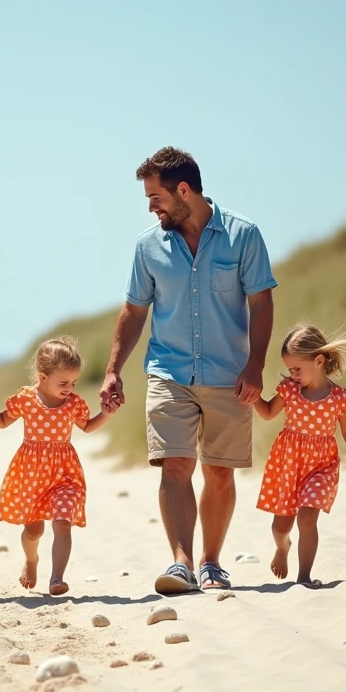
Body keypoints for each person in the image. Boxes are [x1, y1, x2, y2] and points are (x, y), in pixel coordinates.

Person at [100, 146, 277, 594]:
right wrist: (113, 369)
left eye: (155, 197)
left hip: (229, 375)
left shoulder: (244, 236)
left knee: (219, 472)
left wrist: (256, 365)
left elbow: (261, 302)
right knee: (175, 466)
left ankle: (211, 563)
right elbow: (134, 310)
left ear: (184, 190)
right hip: (168, 371)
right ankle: (180, 562)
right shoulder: (148, 246)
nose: (150, 206)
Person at [0, 336, 115, 595]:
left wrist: (106, 414)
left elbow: (86, 427)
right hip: (31, 473)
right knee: (33, 530)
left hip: (65, 473)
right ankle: (31, 560)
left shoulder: (73, 403)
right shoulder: (27, 399)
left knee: (63, 521)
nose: (69, 388)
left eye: (74, 382)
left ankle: (57, 578)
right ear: (42, 377)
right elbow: (4, 421)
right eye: (63, 382)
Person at [253, 324, 346, 588]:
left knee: (307, 518)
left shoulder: (339, 398)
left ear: (318, 361)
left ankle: (304, 577)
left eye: (297, 369)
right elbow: (267, 412)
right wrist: (253, 397)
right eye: (290, 370)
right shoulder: (289, 390)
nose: (292, 375)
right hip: (288, 464)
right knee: (280, 528)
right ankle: (282, 547)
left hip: (322, 466)